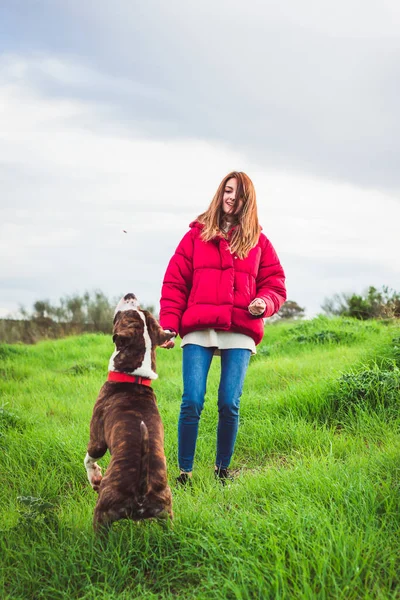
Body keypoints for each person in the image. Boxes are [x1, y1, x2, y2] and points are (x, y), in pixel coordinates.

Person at [159, 171, 286, 485]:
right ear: (220, 193)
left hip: (239, 329)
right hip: (199, 328)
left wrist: (263, 302)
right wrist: (168, 326)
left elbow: (276, 286)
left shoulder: (259, 241)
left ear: (247, 201)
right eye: (228, 190)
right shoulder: (195, 236)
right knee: (192, 400)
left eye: (239, 194)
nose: (232, 197)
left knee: (229, 402)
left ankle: (221, 470)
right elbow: (175, 284)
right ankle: (184, 473)